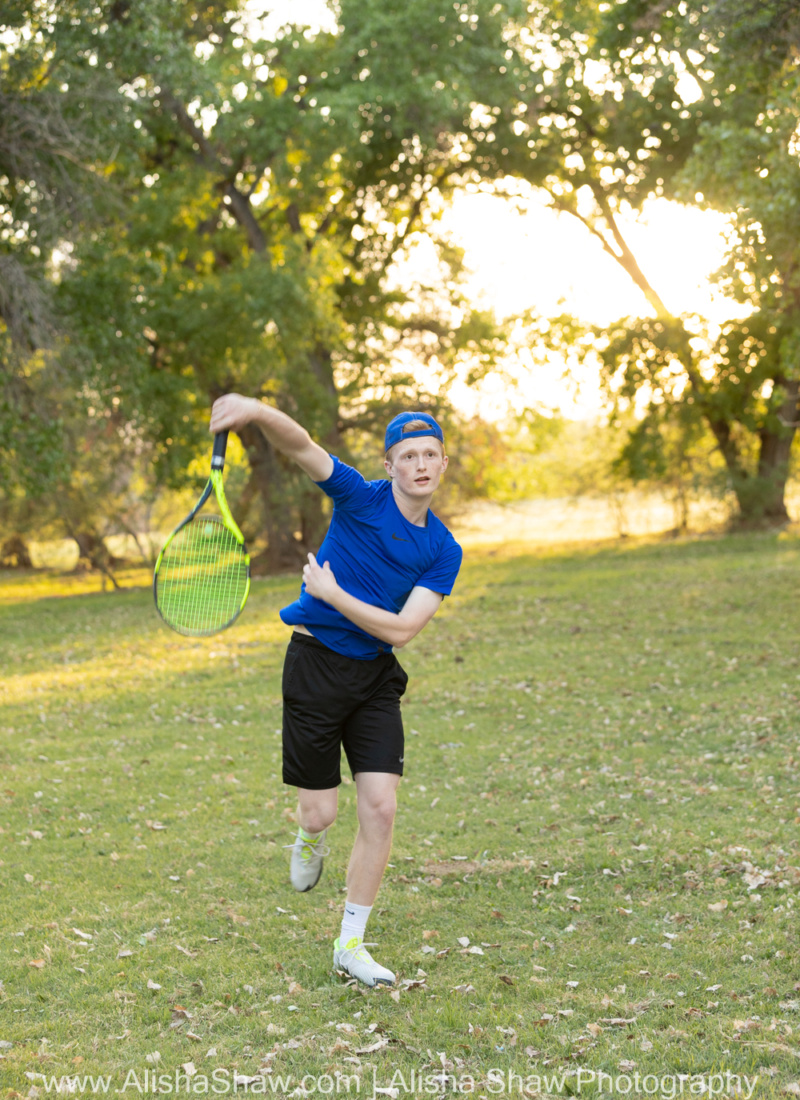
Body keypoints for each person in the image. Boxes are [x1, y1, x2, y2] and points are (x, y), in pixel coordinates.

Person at [209, 394, 463, 986]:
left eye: (431, 454)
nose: (421, 464)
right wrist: (253, 408)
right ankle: (307, 834)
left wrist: (333, 594)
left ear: (443, 464)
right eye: (408, 455)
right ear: (389, 465)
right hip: (315, 667)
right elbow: (301, 446)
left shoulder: (443, 550)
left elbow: (401, 629)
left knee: (381, 806)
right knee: (322, 811)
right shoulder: (358, 495)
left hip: (374, 676)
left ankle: (351, 944)